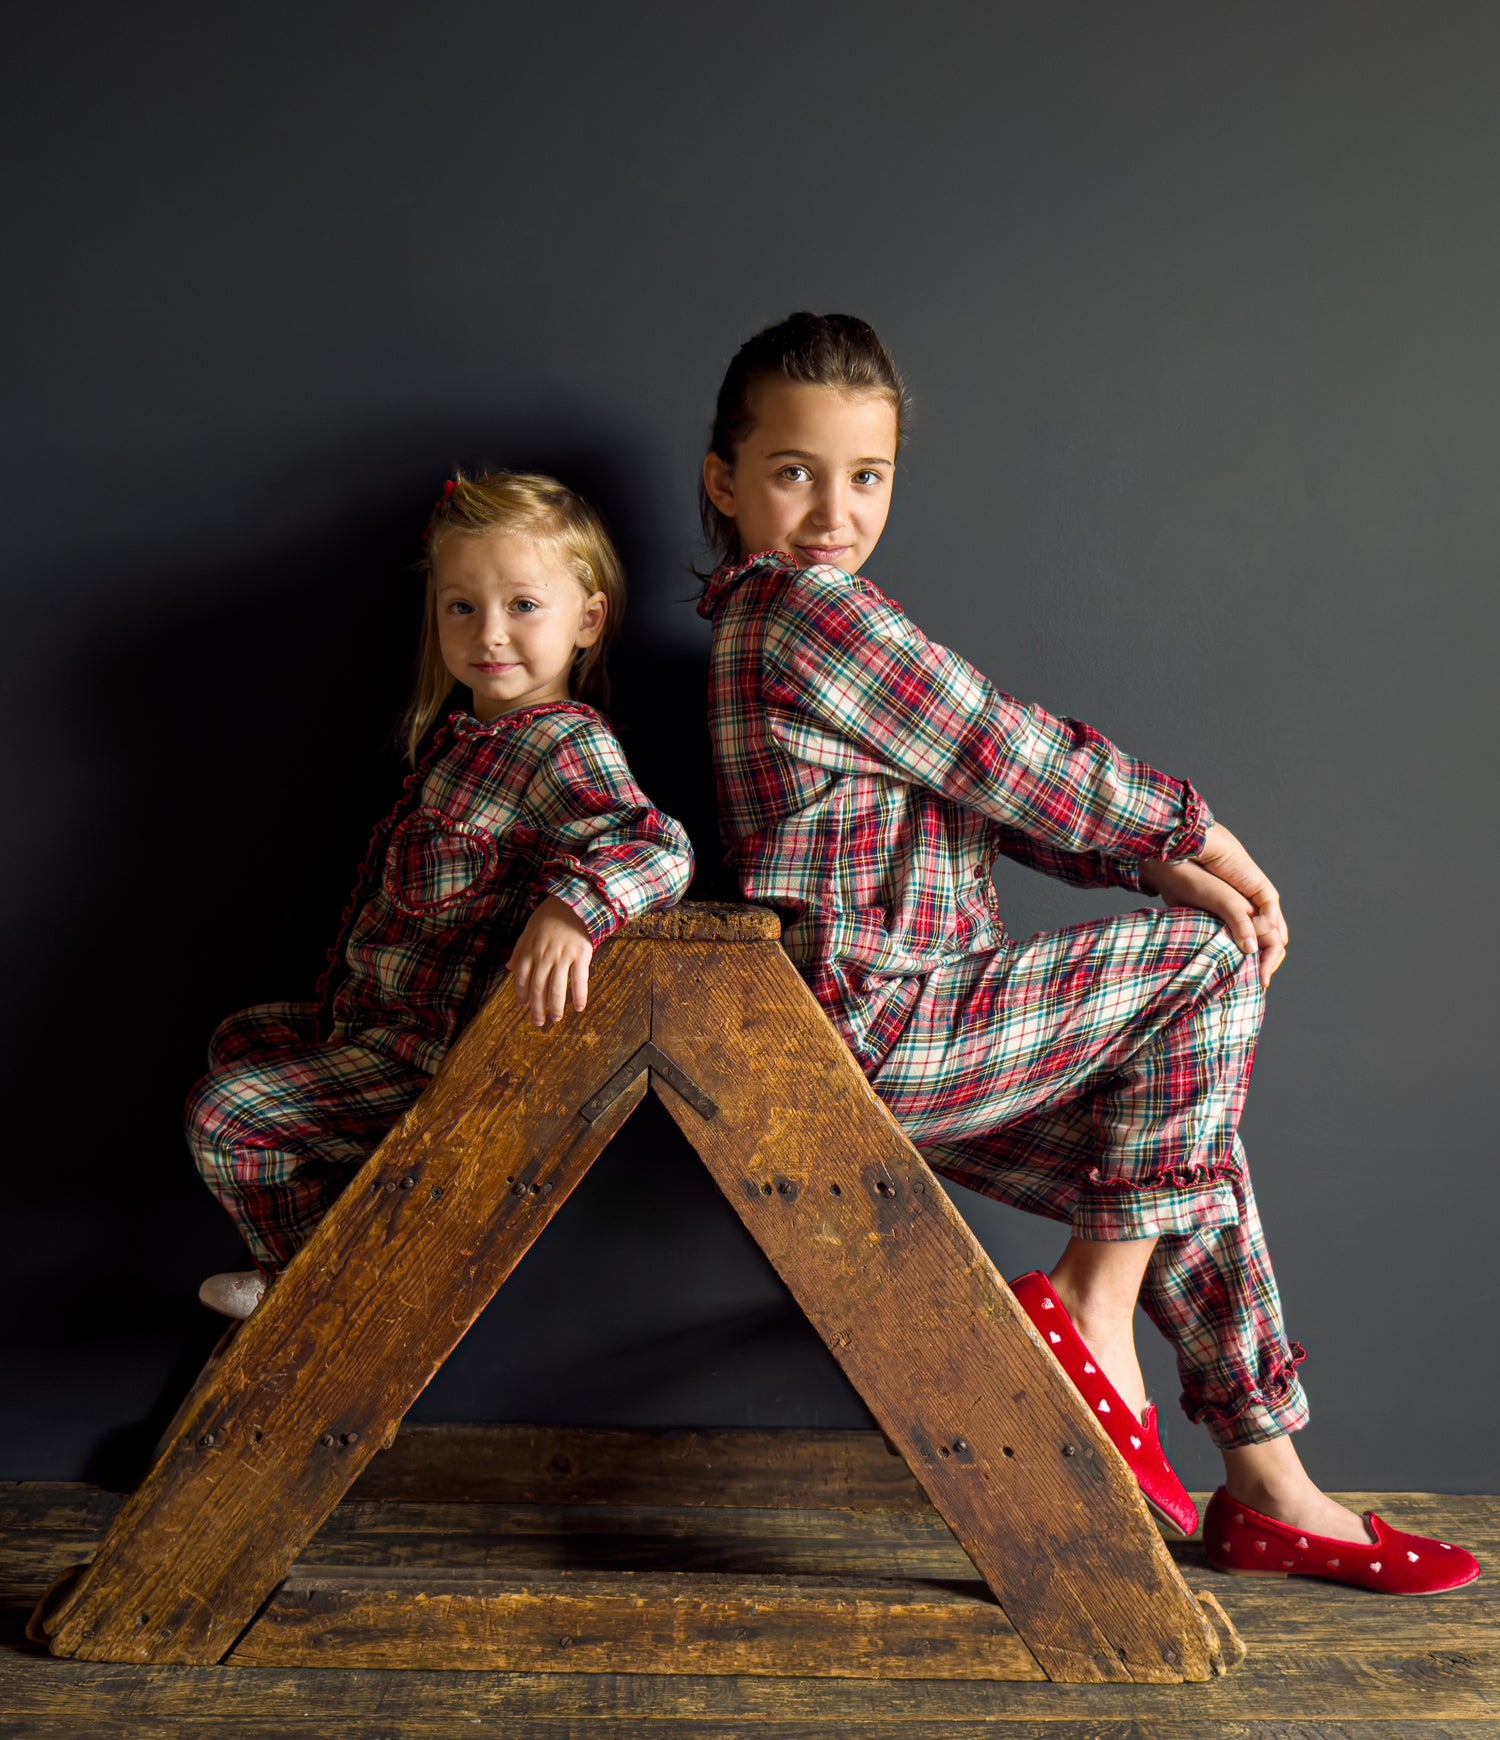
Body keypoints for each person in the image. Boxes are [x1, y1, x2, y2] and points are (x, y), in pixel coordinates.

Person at [695, 311, 1477, 1595]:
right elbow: (1009, 749)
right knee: (1202, 962)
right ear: (726, 481)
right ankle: (1091, 1312)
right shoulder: (801, 616)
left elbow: (976, 794)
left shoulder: (815, 627)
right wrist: (1199, 834)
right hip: (877, 1028)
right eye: (794, 472)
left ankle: (1271, 1488)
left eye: (867, 476)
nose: (833, 510)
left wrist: (1158, 858)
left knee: (1186, 1161)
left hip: (900, 1033)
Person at [188, 470, 693, 1319]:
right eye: (462, 607)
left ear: (589, 619)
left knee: (227, 1116)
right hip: (375, 1025)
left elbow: (656, 844)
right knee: (240, 1039)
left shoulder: (561, 745)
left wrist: (573, 910)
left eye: (523, 605)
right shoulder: (471, 742)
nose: (489, 633)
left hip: (435, 1061)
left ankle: (310, 1287)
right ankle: (347, 1235)